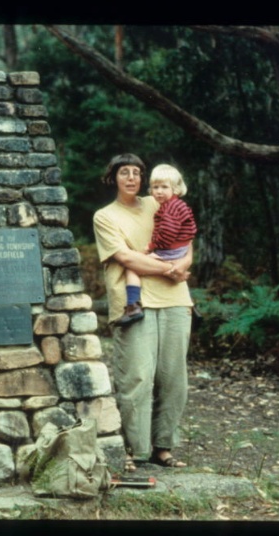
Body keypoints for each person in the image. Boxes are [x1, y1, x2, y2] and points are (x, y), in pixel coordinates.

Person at [93, 153, 193, 472]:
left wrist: (184, 265)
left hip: (176, 299)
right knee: (137, 377)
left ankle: (163, 448)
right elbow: (128, 259)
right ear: (114, 178)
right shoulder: (105, 216)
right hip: (133, 304)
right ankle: (135, 450)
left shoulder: (159, 200)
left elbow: (186, 237)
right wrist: (169, 269)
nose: (132, 178)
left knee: (173, 378)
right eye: (125, 172)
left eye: (137, 172)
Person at [117, 163, 197, 326]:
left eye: (164, 187)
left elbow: (167, 233)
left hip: (171, 250)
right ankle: (193, 306)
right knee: (173, 268)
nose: (159, 191)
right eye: (155, 187)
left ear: (175, 189)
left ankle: (133, 305)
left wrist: (151, 246)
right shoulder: (178, 205)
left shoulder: (170, 209)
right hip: (180, 249)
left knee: (133, 267)